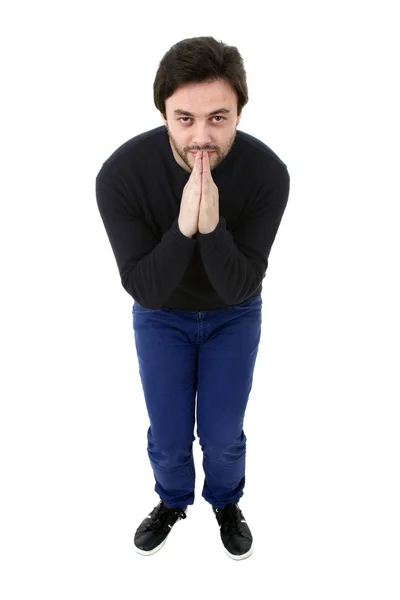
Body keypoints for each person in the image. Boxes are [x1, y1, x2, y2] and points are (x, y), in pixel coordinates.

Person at [95, 36, 290, 561]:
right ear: (163, 113)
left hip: (235, 314)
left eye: (218, 118)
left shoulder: (268, 175)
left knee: (223, 435)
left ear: (240, 113)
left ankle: (226, 502)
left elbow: (240, 284)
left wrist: (213, 226)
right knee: (169, 434)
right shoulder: (120, 176)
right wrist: (183, 230)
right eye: (185, 119)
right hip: (162, 319)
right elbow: (146, 289)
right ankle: (173, 500)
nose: (202, 137)